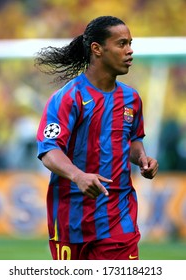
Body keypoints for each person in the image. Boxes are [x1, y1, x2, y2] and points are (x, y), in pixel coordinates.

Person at [35, 15, 158, 260]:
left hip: (118, 216)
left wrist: (143, 158)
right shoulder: (69, 97)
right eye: (122, 44)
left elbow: (132, 140)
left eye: (130, 43)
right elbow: (49, 150)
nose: (130, 50)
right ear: (97, 49)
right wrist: (78, 175)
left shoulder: (132, 99)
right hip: (72, 219)